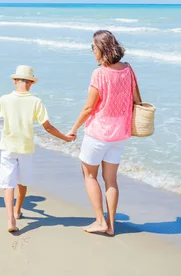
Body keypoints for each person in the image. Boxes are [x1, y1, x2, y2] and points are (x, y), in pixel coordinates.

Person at [0, 65, 74, 232]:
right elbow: (48, 127)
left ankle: (10, 219)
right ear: (31, 83)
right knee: (22, 182)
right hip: (25, 148)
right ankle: (18, 210)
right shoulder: (36, 102)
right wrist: (65, 138)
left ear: (14, 81)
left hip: (7, 147)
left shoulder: (5, 99)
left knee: (8, 184)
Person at [68, 30, 139, 236]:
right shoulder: (128, 69)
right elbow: (136, 99)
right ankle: (112, 226)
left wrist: (73, 129)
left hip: (99, 133)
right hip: (120, 135)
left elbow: (89, 108)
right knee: (111, 180)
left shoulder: (99, 74)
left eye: (93, 47)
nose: (92, 52)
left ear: (102, 48)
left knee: (89, 175)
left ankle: (100, 221)